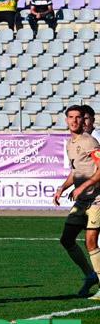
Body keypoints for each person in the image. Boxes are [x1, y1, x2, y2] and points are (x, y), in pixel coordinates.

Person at [53, 105, 100, 298]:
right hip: (81, 202)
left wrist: (82, 186)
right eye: (70, 117)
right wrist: (62, 188)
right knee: (67, 239)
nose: (74, 120)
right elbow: (76, 171)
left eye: (78, 117)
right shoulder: (70, 144)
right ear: (66, 120)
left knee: (90, 242)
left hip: (97, 199)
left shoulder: (90, 142)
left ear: (83, 120)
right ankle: (90, 275)